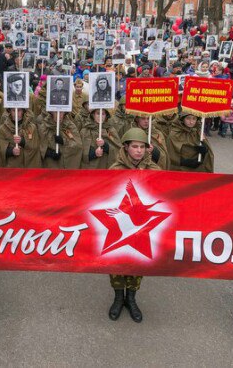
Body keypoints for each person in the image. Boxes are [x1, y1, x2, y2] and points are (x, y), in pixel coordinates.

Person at [106, 128, 161, 323]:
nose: (138, 151)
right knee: (117, 262)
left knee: (138, 262)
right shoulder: (115, 170)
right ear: (126, 148)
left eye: (142, 147)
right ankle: (118, 297)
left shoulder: (154, 170)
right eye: (134, 147)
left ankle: (131, 298)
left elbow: (163, 192)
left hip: (143, 226)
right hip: (120, 224)